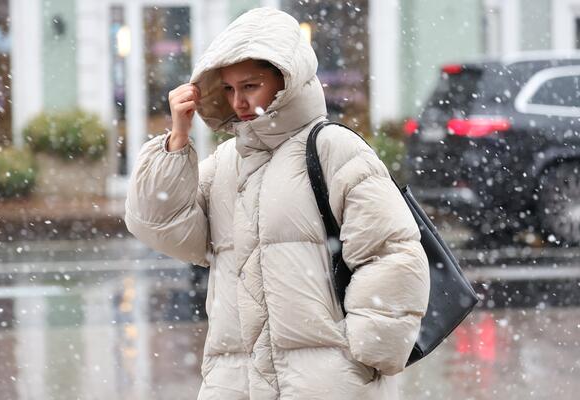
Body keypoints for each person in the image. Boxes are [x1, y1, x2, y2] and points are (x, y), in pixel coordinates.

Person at [125, 7, 430, 400]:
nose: (238, 100)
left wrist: (363, 355)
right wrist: (177, 141)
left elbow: (391, 253)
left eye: (250, 86)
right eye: (230, 89)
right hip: (234, 382)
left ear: (286, 81)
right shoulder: (225, 165)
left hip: (323, 383)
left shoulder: (334, 149)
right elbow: (163, 229)